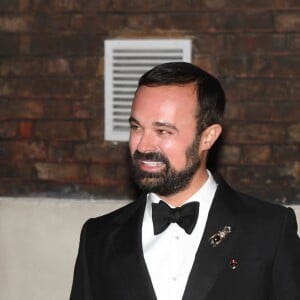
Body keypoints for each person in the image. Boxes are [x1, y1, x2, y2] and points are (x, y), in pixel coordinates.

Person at [70, 62, 300, 300]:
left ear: (207, 138)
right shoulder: (99, 237)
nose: (142, 145)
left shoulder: (268, 230)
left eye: (163, 131)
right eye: (136, 127)